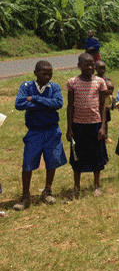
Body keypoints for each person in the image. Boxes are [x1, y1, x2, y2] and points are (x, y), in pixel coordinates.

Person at [13, 61, 67, 210]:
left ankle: (47, 190)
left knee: (52, 160)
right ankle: (25, 195)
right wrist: (45, 105)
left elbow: (58, 103)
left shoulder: (54, 87)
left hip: (52, 130)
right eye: (44, 73)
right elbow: (19, 104)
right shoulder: (26, 87)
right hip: (34, 131)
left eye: (50, 73)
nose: (48, 76)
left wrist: (35, 99)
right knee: (28, 162)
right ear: (35, 72)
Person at [65, 53, 108, 198]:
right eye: (86, 64)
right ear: (79, 66)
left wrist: (103, 127)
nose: (90, 67)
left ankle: (97, 185)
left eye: (92, 64)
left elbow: (103, 106)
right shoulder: (72, 82)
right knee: (77, 156)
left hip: (95, 125)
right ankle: (76, 186)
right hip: (78, 125)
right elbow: (70, 107)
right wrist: (69, 128)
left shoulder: (100, 82)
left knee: (97, 156)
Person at [95, 60, 115, 143]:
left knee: (105, 120)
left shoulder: (107, 79)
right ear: (96, 69)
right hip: (96, 103)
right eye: (99, 69)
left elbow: (110, 90)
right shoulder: (94, 79)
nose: (102, 70)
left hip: (105, 103)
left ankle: (105, 137)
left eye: (103, 68)